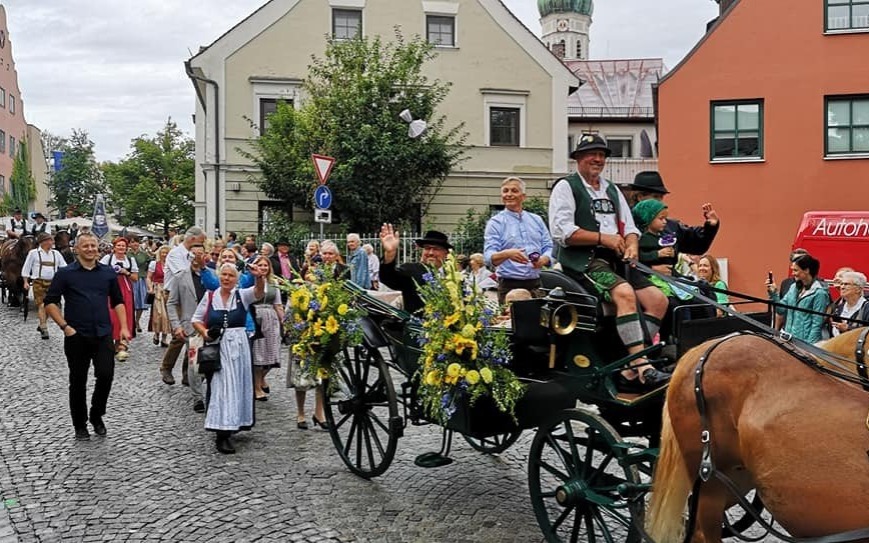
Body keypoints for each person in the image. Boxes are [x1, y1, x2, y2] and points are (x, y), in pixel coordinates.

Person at [549, 134, 669, 391]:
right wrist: (604, 238)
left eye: (602, 154)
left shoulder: (612, 189)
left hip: (615, 259)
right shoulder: (566, 187)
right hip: (584, 261)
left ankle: (628, 366)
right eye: (592, 154)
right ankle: (643, 366)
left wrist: (633, 245)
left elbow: (631, 227)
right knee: (625, 294)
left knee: (658, 300)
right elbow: (563, 232)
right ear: (579, 158)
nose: (598, 159)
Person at [44, 231, 130, 440]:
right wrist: (65, 327)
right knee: (78, 381)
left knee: (106, 375)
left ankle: (96, 414)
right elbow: (50, 303)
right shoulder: (66, 274)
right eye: (86, 246)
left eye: (94, 246)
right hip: (77, 336)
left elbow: (117, 301)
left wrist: (124, 328)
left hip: (103, 334)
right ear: (77, 249)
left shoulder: (108, 273)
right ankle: (79, 424)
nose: (91, 249)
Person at [192, 263, 265, 454]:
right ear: (219, 277)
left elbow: (259, 292)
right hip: (218, 347)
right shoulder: (210, 296)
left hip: (239, 346)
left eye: (230, 276)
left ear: (236, 279)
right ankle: (221, 432)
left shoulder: (242, 295)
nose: (226, 278)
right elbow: (196, 319)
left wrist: (259, 277)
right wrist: (206, 333)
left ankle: (233, 422)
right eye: (223, 275)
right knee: (221, 386)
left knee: (237, 385)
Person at [484, 176, 553, 304]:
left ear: (523, 196)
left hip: (536, 284)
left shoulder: (536, 220)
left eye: (514, 191)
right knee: (512, 323)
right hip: (509, 286)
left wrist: (544, 259)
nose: (509, 194)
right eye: (505, 191)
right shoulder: (495, 223)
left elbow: (549, 247)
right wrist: (507, 254)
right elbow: (488, 257)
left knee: (540, 323)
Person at [622, 171, 720, 260]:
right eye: (655, 197)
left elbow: (697, 246)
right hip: (635, 277)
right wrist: (651, 269)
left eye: (661, 197)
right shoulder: (625, 224)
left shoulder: (670, 225)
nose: (660, 201)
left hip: (670, 278)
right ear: (640, 197)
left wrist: (710, 226)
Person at [165, 244, 208, 411]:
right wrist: (176, 326)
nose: (197, 257)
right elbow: (172, 303)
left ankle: (208, 390)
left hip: (210, 325)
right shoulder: (180, 277)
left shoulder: (212, 276)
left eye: (200, 253)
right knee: (194, 363)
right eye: (194, 254)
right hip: (190, 326)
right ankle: (198, 397)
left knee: (210, 361)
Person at [379, 226, 451, 314]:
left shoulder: (454, 276)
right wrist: (390, 254)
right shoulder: (411, 270)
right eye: (427, 248)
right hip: (417, 325)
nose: (430, 253)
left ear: (446, 253)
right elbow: (388, 277)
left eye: (436, 249)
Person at [767, 253, 831, 344]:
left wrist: (809, 348)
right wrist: (774, 293)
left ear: (806, 270)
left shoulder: (819, 293)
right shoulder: (793, 288)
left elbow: (817, 324)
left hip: (805, 343)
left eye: (796, 270)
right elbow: (781, 310)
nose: (793, 274)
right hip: (788, 340)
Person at [249, 255, 284, 401]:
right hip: (256, 316)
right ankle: (256, 387)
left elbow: (278, 304)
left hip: (271, 318)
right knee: (259, 354)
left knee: (272, 353)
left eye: (265, 265)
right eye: (260, 265)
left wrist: (284, 321)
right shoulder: (250, 280)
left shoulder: (273, 282)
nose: (263, 268)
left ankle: (262, 378)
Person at [22, 232, 67, 339]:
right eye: (49, 240)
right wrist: (25, 281)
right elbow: (27, 267)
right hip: (39, 282)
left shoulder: (56, 254)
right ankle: (44, 327)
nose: (51, 242)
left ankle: (41, 324)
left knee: (50, 306)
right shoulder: (33, 253)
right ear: (42, 242)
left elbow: (65, 268)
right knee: (42, 304)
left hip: (53, 283)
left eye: (51, 240)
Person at [100, 237, 138, 361]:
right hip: (110, 289)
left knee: (125, 315)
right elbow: (100, 273)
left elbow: (135, 278)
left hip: (125, 289)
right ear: (114, 247)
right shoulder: (108, 259)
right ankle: (109, 341)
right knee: (111, 315)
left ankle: (121, 343)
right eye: (119, 245)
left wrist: (125, 272)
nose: (121, 248)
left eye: (123, 246)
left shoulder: (130, 260)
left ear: (126, 248)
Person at [147, 245, 173, 347]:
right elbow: (149, 277)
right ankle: (157, 334)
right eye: (163, 253)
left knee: (167, 314)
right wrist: (150, 288)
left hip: (168, 289)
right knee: (159, 313)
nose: (164, 255)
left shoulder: (171, 265)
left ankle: (164, 338)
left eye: (166, 253)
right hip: (158, 289)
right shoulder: (154, 264)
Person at [830, 271, 869, 337]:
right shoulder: (838, 308)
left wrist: (848, 329)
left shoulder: (867, 308)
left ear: (858, 289)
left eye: (846, 284)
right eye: (841, 284)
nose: (842, 287)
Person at [127, 237, 151, 333]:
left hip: (141, 278)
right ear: (129, 244)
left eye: (136, 242)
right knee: (131, 301)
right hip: (131, 279)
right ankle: (131, 321)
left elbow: (150, 263)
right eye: (132, 242)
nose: (135, 244)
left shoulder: (144, 254)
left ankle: (137, 321)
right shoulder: (127, 254)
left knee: (141, 302)